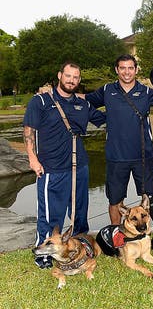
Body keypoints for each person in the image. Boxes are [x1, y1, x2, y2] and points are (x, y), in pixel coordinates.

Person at [23, 62, 106, 268]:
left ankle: (79, 247)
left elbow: (106, 119)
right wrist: (32, 159)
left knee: (79, 212)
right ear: (60, 75)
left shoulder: (82, 104)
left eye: (76, 77)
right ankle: (43, 253)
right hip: (51, 168)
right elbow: (28, 131)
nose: (72, 80)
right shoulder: (40, 101)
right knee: (52, 215)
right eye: (68, 76)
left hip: (80, 167)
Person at [85, 54, 153, 225]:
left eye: (130, 68)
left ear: (136, 69)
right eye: (122, 68)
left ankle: (144, 233)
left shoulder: (147, 92)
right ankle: (117, 235)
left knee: (148, 197)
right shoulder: (107, 90)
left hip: (143, 155)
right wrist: (59, 95)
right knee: (115, 200)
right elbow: (85, 102)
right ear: (116, 70)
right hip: (116, 157)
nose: (126, 72)